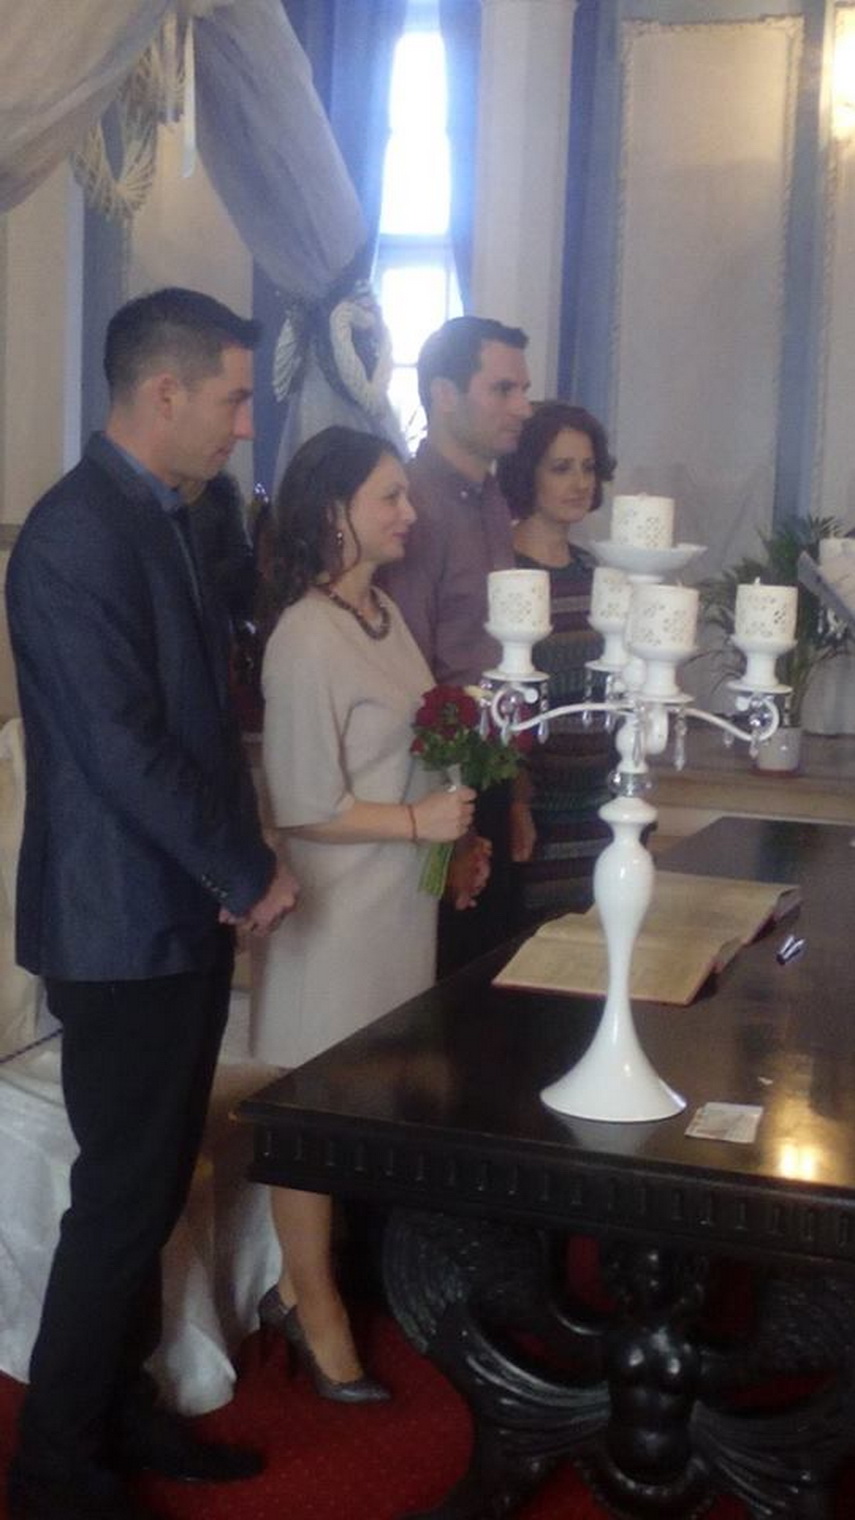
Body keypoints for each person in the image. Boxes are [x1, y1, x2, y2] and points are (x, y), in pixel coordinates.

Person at [5, 287, 299, 1520]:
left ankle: (118, 1412)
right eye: (233, 397)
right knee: (121, 1200)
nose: (245, 422)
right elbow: (123, 750)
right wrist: (246, 870)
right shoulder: (75, 532)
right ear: (164, 391)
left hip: (169, 912)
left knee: (149, 1188)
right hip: (118, 922)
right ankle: (53, 1472)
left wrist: (234, 860)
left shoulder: (167, 513)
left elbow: (199, 726)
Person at [250, 425, 480, 1402]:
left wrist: (452, 842)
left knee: (365, 1102)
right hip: (336, 916)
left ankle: (317, 1286)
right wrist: (421, 822)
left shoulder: (383, 615)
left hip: (397, 906)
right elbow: (303, 801)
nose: (408, 511)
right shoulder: (305, 634)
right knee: (311, 1114)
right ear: (332, 511)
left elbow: (419, 747)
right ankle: (314, 1310)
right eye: (390, 495)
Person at [379, 315, 533, 973]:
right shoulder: (411, 505)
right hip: (438, 781)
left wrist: (515, 791)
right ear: (444, 394)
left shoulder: (491, 496)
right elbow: (411, 675)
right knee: (449, 979)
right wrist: (455, 825)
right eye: (502, 389)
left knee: (497, 971)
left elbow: (499, 655)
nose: (522, 408)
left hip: (491, 769)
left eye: (523, 390)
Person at [498, 402, 617, 923]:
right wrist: (515, 799)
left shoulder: (598, 575)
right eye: (561, 468)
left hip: (599, 808)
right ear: (529, 473)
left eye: (588, 467)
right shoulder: (502, 573)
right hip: (531, 813)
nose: (580, 483)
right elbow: (497, 700)